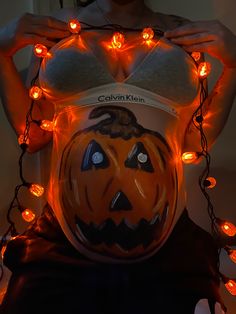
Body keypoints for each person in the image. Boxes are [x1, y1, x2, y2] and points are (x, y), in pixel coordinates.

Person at [0, 0, 236, 313]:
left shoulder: (184, 34)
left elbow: (194, 139)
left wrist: (233, 66)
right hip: (59, 252)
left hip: (171, 253)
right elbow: (33, 135)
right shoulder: (54, 30)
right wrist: (1, 53)